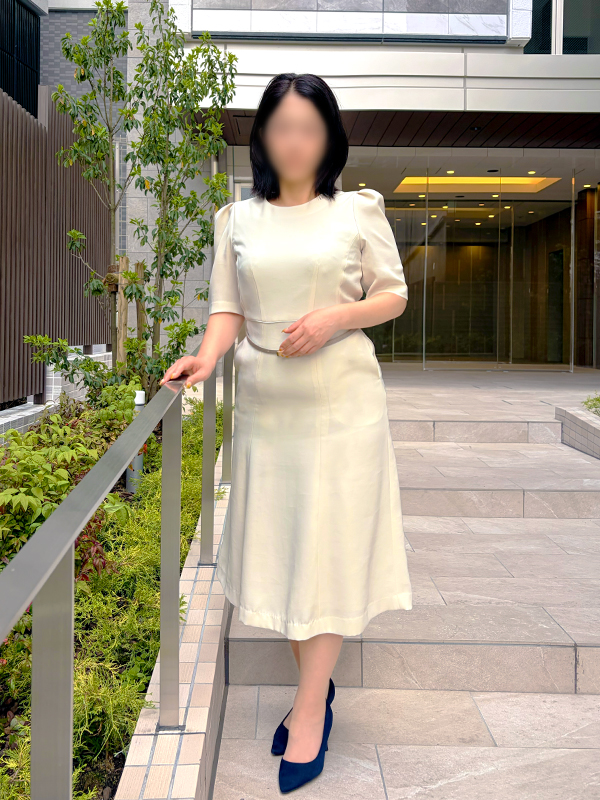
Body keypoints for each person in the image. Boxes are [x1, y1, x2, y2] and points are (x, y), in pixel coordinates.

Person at [159, 72, 412, 793]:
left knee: (326, 551)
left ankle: (307, 710)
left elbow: (393, 295)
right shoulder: (237, 219)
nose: (295, 141)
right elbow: (227, 308)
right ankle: (316, 690)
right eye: (282, 128)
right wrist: (206, 357)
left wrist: (335, 317)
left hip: (343, 404)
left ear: (328, 139)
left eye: (309, 128)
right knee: (289, 547)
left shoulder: (357, 211)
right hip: (269, 410)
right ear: (263, 138)